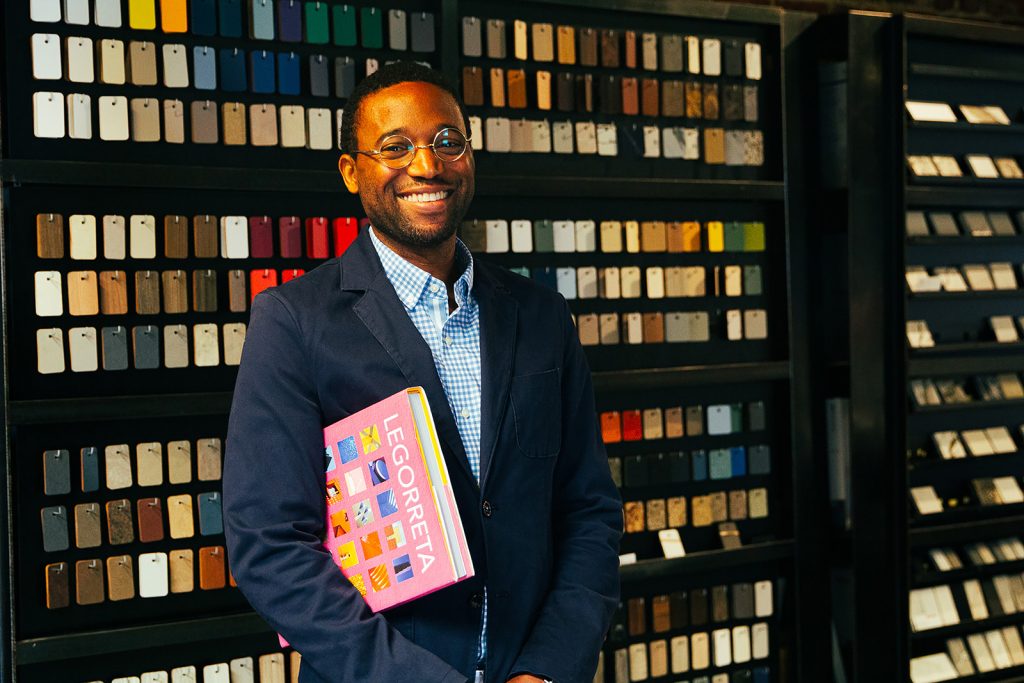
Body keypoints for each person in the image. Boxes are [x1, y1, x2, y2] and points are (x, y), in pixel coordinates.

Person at [223, 61, 623, 683]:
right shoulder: (295, 321)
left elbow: (589, 510)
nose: (427, 165)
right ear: (351, 171)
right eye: (395, 147)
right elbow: (270, 544)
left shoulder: (542, 315)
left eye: (447, 141)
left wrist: (547, 669)